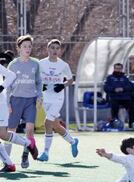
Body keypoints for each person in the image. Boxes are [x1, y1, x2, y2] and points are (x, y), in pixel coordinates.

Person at [36, 39, 79, 162]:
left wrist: (62, 85)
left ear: (60, 50)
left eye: (57, 48)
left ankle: (45, 153)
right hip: (45, 97)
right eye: (52, 48)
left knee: (47, 123)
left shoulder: (63, 65)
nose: (55, 50)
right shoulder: (41, 63)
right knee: (55, 125)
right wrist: (40, 86)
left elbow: (70, 80)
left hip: (58, 97)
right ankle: (73, 141)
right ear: (48, 49)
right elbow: (36, 79)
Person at [5, 35, 40, 168]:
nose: (28, 49)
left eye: (29, 46)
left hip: (31, 101)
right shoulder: (13, 64)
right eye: (25, 46)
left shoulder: (35, 64)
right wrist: (8, 103)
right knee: (10, 131)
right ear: (19, 48)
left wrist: (40, 96)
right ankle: (7, 161)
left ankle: (25, 156)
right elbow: (7, 85)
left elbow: (38, 81)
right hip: (16, 100)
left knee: (29, 130)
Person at [0, 64, 37, 172]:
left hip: (1, 104)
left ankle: (28, 144)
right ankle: (9, 164)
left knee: (2, 134)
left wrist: (1, 87)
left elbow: (11, 75)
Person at [103, 63, 134, 128]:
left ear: (121, 69)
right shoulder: (110, 78)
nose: (118, 70)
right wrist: (114, 89)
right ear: (114, 69)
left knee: (131, 107)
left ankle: (132, 124)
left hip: (125, 98)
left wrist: (123, 89)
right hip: (114, 97)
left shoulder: (125, 78)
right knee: (114, 107)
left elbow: (131, 86)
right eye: (116, 68)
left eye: (119, 69)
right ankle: (115, 124)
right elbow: (106, 88)